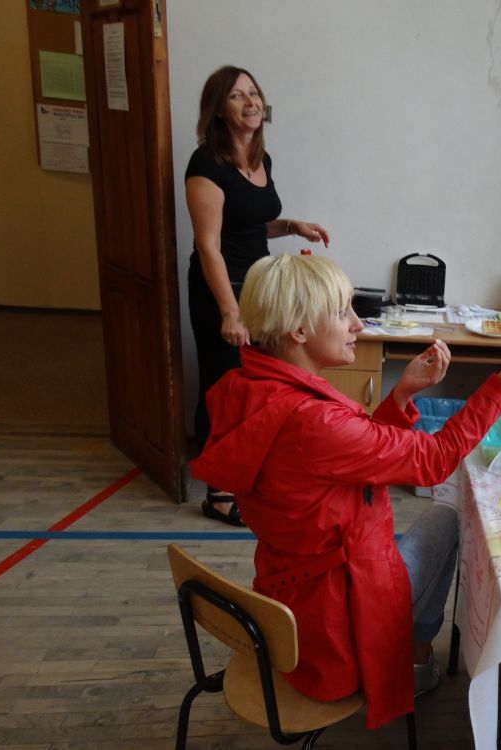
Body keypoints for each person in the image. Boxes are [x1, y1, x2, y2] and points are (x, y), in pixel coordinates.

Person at [189, 252, 501, 728]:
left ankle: (416, 654)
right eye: (341, 311)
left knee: (439, 521)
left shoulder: (248, 386)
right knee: (447, 518)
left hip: (291, 595)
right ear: (299, 330)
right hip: (337, 618)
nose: (357, 323)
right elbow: (433, 460)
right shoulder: (313, 420)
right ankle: (414, 657)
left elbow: (344, 461)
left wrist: (402, 395)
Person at [186, 65, 331, 526]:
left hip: (258, 287)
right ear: (218, 109)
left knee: (256, 386)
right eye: (236, 95)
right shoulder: (206, 164)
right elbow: (209, 244)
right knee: (223, 386)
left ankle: (245, 474)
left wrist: (291, 226)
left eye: (253, 93)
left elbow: (249, 224)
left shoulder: (260, 158)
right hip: (222, 290)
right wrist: (229, 312)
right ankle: (217, 493)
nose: (249, 102)